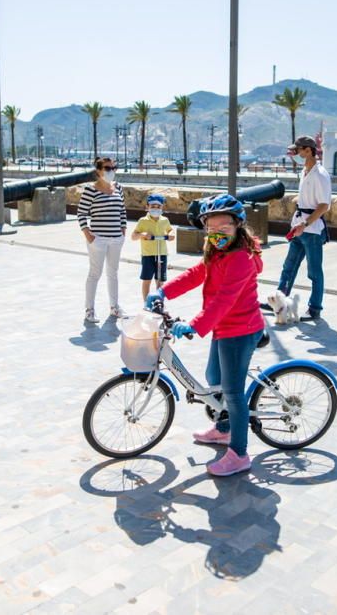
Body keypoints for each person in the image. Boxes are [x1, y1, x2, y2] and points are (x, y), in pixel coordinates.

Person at [146, 194, 265, 477]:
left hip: (241, 329)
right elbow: (195, 274)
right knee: (215, 380)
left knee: (234, 394)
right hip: (224, 327)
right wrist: (163, 291)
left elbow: (223, 301)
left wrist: (193, 325)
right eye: (211, 230)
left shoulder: (240, 259)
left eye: (223, 230)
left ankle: (239, 454)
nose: (216, 235)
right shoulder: (217, 251)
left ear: (238, 226)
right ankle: (223, 429)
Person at [276, 135, 332, 321]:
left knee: (314, 271)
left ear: (308, 150)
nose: (296, 153)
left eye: (298, 149)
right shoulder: (305, 171)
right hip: (299, 226)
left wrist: (305, 223)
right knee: (288, 267)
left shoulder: (320, 174)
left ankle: (315, 308)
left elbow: (324, 205)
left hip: (311, 230)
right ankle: (279, 303)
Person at [78, 157, 127, 323]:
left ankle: (114, 307)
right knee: (94, 274)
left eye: (114, 167)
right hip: (97, 239)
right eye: (107, 168)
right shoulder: (90, 190)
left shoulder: (118, 187)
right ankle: (89, 310)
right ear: (98, 170)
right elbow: (81, 214)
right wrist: (88, 235)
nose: (111, 171)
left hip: (116, 239)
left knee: (113, 273)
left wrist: (123, 231)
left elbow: (122, 211)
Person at [131, 194, 175, 302]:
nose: (155, 209)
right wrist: (143, 234)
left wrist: (171, 234)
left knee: (160, 280)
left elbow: (170, 230)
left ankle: (159, 302)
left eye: (158, 207)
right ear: (147, 207)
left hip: (162, 253)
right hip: (148, 254)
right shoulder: (143, 221)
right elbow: (133, 236)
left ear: (162, 208)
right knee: (147, 279)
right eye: (153, 206)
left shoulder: (165, 220)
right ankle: (146, 302)